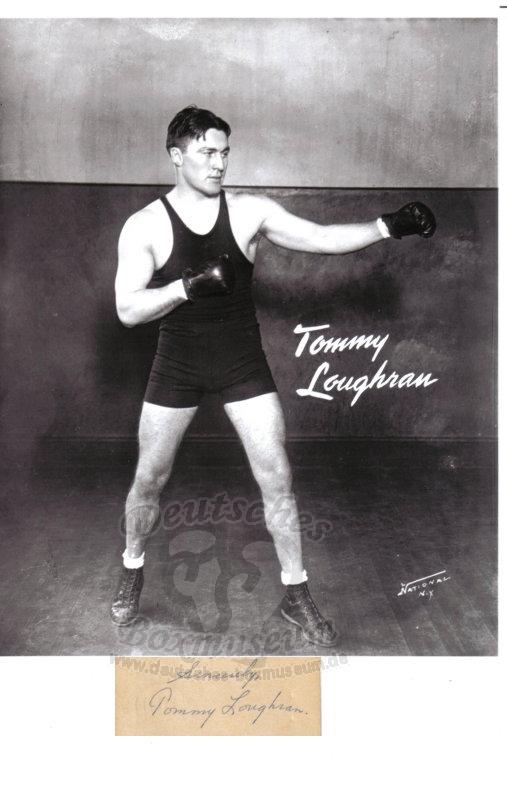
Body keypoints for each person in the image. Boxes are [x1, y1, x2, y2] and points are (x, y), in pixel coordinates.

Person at [110, 105, 436, 646]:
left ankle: (295, 592)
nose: (219, 164)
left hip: (241, 361)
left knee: (277, 477)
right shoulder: (144, 225)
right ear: (176, 156)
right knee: (149, 478)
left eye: (225, 153)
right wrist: (186, 287)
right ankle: (132, 567)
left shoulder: (249, 212)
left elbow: (321, 237)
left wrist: (388, 226)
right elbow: (127, 309)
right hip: (178, 363)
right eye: (207, 153)